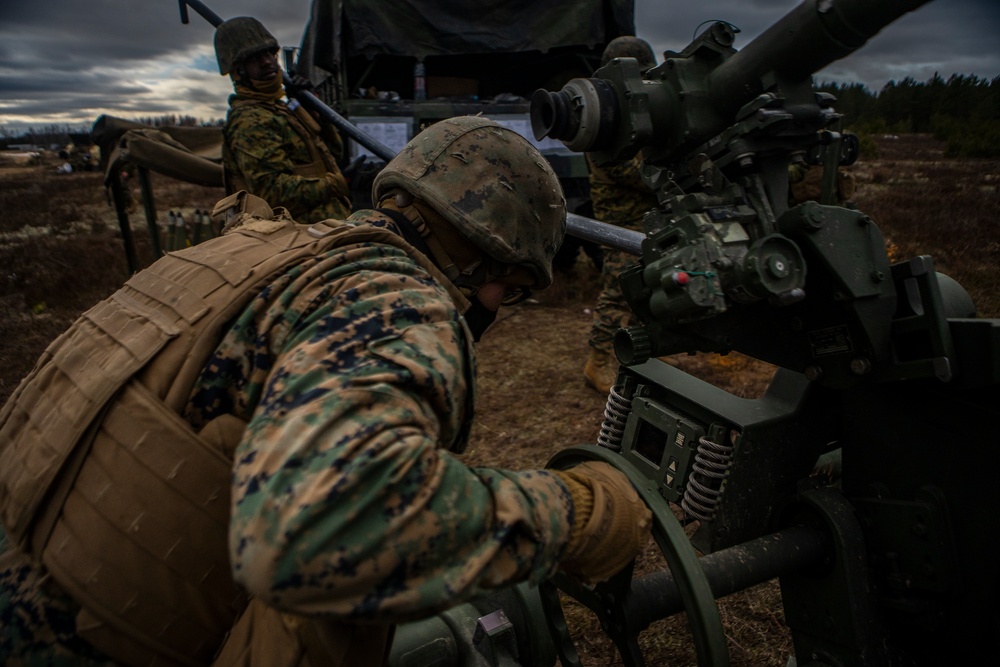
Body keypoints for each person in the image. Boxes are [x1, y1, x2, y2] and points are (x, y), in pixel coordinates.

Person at [0, 116, 651, 665]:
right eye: (507, 291)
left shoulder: (255, 248)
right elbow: (321, 529)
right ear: (487, 256)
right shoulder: (396, 299)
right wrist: (576, 516)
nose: (495, 309)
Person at [216, 16, 353, 224]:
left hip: (325, 227)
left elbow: (333, 155)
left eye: (270, 53)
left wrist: (316, 114)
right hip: (294, 237)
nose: (268, 62)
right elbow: (272, 193)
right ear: (238, 71)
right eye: (255, 58)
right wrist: (337, 184)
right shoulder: (250, 120)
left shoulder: (281, 108)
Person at [583, 36, 660, 394]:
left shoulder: (635, 111)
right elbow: (628, 171)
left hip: (645, 220)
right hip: (619, 222)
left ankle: (643, 358)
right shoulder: (603, 115)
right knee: (617, 292)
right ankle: (597, 362)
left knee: (649, 291)